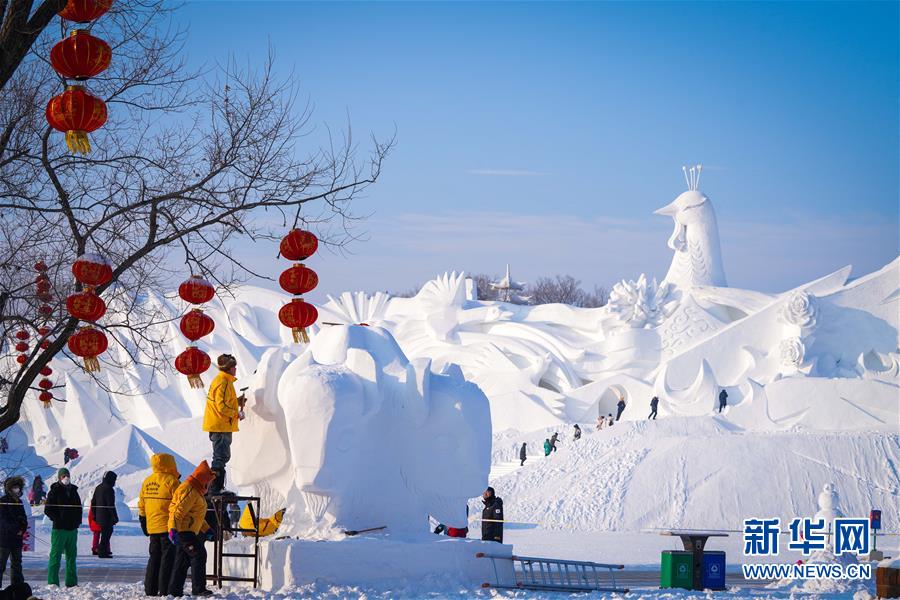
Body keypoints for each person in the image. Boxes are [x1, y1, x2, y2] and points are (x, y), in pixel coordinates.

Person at [168, 461, 216, 597]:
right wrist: (173, 529)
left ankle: (175, 591)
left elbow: (195, 515)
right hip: (183, 531)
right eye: (209, 481)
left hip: (188, 530)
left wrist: (207, 529)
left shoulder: (196, 491)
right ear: (204, 479)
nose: (210, 485)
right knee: (199, 554)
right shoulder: (189, 490)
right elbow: (178, 512)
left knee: (182, 562)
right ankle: (199, 589)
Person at [202, 354, 246, 495]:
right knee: (220, 457)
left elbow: (223, 402)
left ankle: (216, 488)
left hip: (220, 425)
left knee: (221, 456)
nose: (235, 369)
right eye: (234, 366)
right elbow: (221, 406)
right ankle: (215, 488)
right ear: (228, 368)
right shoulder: (223, 382)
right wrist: (236, 414)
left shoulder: (223, 381)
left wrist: (238, 402)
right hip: (220, 425)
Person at [139, 453, 181, 597]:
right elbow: (179, 504)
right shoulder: (172, 481)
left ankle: (150, 589)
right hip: (168, 528)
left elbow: (142, 505)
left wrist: (143, 521)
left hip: (152, 527)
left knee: (154, 558)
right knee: (167, 559)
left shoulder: (147, 481)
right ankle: (164, 590)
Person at [45, 468, 81, 588]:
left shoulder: (74, 491)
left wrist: (77, 522)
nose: (66, 478)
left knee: (72, 557)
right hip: (59, 529)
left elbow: (79, 508)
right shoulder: (54, 491)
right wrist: (58, 519)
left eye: (67, 475)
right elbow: (48, 510)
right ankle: (53, 582)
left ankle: (71, 583)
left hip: (72, 530)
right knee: (55, 556)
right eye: (63, 476)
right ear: (59, 477)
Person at [0, 477, 27, 588]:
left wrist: (22, 528)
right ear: (9, 489)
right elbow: (3, 520)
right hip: (4, 539)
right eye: (14, 487)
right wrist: (16, 529)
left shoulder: (19, 502)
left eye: (18, 487)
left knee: (17, 565)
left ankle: (17, 587)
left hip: (17, 539)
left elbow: (24, 518)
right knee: (1, 564)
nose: (17, 489)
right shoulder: (2, 501)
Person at [90, 471, 118, 558]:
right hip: (106, 517)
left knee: (104, 534)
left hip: (98, 516)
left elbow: (93, 502)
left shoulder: (98, 487)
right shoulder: (109, 489)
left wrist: (94, 515)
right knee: (107, 534)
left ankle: (102, 549)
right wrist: (115, 517)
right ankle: (102, 551)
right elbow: (110, 505)